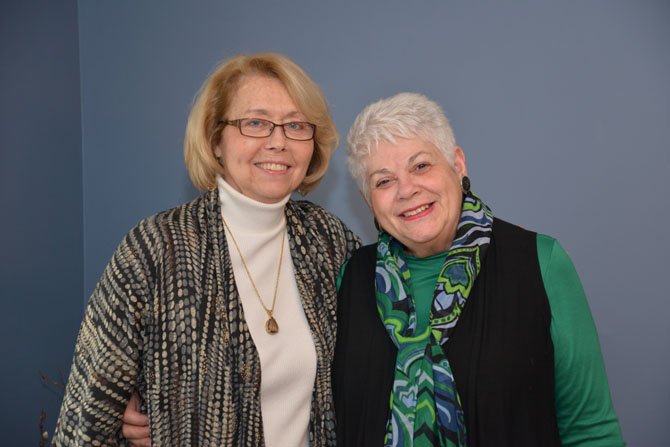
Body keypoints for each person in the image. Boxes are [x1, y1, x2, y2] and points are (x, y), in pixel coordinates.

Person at [53, 52, 360, 446]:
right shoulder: (155, 249)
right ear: (215, 140)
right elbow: (85, 422)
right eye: (255, 123)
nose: (279, 141)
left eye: (296, 125)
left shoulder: (327, 241)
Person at [332, 92, 625, 446]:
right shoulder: (352, 279)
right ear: (368, 200)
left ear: (458, 165)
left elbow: (591, 431)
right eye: (383, 180)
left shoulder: (540, 263)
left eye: (421, 165)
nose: (407, 189)